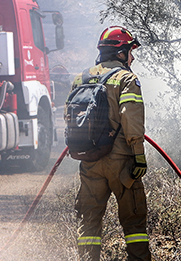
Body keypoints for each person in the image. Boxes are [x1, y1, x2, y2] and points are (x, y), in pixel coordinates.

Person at [73, 26, 150, 261]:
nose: (132, 58)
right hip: (121, 162)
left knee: (89, 220)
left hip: (90, 160)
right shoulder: (126, 79)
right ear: (120, 53)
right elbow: (130, 118)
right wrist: (139, 155)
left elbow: (71, 118)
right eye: (130, 52)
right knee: (134, 221)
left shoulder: (81, 78)